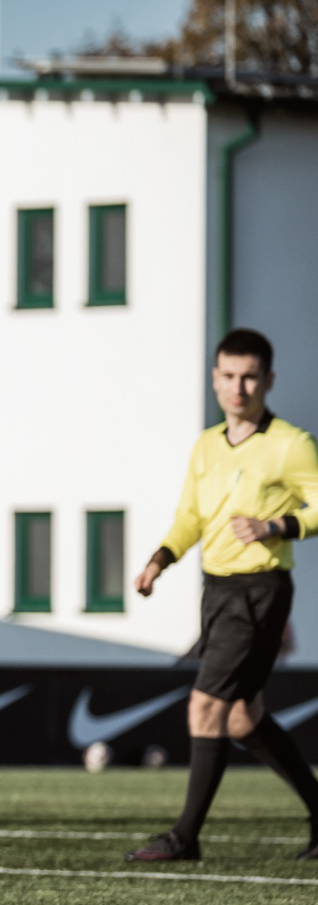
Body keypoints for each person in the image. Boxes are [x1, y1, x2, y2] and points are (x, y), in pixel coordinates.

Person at [128, 328, 318, 863]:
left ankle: (184, 837)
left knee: (205, 706)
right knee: (240, 717)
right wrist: (159, 560)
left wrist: (277, 525)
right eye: (230, 376)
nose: (239, 387)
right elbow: (189, 517)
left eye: (250, 376)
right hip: (216, 592)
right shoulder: (207, 444)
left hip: (260, 592)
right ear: (215, 379)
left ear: (269, 380)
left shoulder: (291, 444)